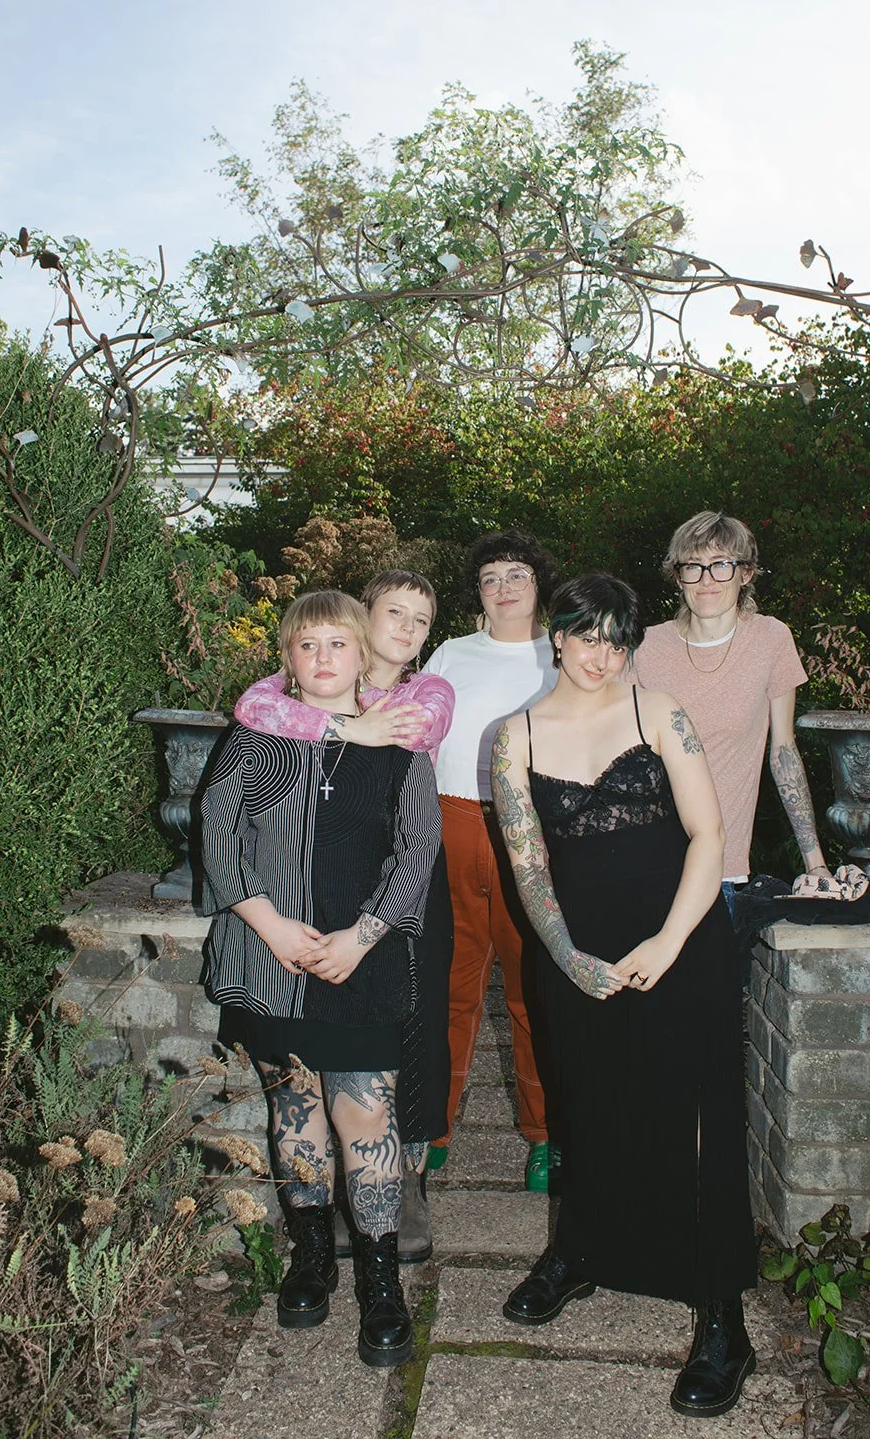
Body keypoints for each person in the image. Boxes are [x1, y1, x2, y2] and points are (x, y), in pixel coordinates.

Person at [491, 574, 758, 1418]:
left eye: (616, 638)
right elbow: (526, 863)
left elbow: (708, 834)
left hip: (679, 938)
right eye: (585, 636)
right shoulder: (513, 736)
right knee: (588, 1108)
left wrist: (668, 942)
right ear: (556, 639)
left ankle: (723, 1317)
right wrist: (565, 954)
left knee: (698, 1117)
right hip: (575, 953)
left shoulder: (658, 714)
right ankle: (581, 1252)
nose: (600, 654)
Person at [198, 589, 441, 1367]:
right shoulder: (252, 741)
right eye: (308, 647)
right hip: (271, 965)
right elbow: (216, 829)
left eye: (338, 644)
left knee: (365, 1117)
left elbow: (416, 853)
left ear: (361, 655)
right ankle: (309, 1259)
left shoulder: (400, 745)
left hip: (359, 965)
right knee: (295, 1109)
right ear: (287, 659)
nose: (324, 659)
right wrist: (267, 924)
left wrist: (363, 936)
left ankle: (380, 1282)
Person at [233, 570, 455, 1263]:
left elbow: (418, 738)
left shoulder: (424, 692)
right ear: (365, 617)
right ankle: (320, 1217)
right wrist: (341, 721)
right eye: (395, 613)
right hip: (308, 893)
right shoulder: (306, 679)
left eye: (421, 620)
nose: (407, 630)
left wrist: (347, 723)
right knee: (301, 1082)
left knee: (408, 1036)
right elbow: (250, 710)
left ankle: (403, 1187)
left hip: (398, 876)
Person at [421, 529, 559, 1191]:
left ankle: (544, 1135)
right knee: (450, 990)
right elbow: (419, 736)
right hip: (451, 826)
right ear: (477, 593)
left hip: (526, 835)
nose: (503, 587)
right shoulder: (450, 653)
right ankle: (433, 1130)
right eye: (490, 578)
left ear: (538, 584)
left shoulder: (561, 654)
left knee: (534, 992)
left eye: (516, 575)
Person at [635, 511, 832, 914]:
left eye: (721, 565)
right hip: (642, 861)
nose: (706, 580)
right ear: (678, 576)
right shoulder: (644, 647)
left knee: (714, 978)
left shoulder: (771, 640)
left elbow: (783, 752)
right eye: (693, 566)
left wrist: (817, 863)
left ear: (746, 573)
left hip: (718, 870)